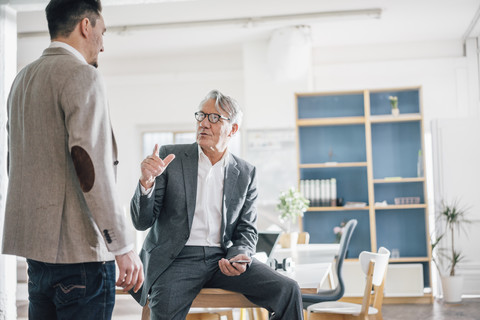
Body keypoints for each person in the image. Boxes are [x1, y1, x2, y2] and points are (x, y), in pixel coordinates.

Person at [2, 0, 143, 319]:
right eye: (103, 32)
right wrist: (121, 246)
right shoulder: (83, 75)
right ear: (85, 25)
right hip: (81, 257)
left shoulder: (22, 80)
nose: (103, 45)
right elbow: (91, 169)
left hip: (37, 255)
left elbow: (16, 163)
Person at [130, 90, 303, 319]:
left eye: (214, 118)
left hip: (222, 258)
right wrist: (146, 182)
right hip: (177, 259)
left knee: (288, 290)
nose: (203, 123)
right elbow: (142, 222)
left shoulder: (246, 172)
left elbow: (247, 229)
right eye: (201, 116)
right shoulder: (170, 157)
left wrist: (240, 254)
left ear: (232, 129)